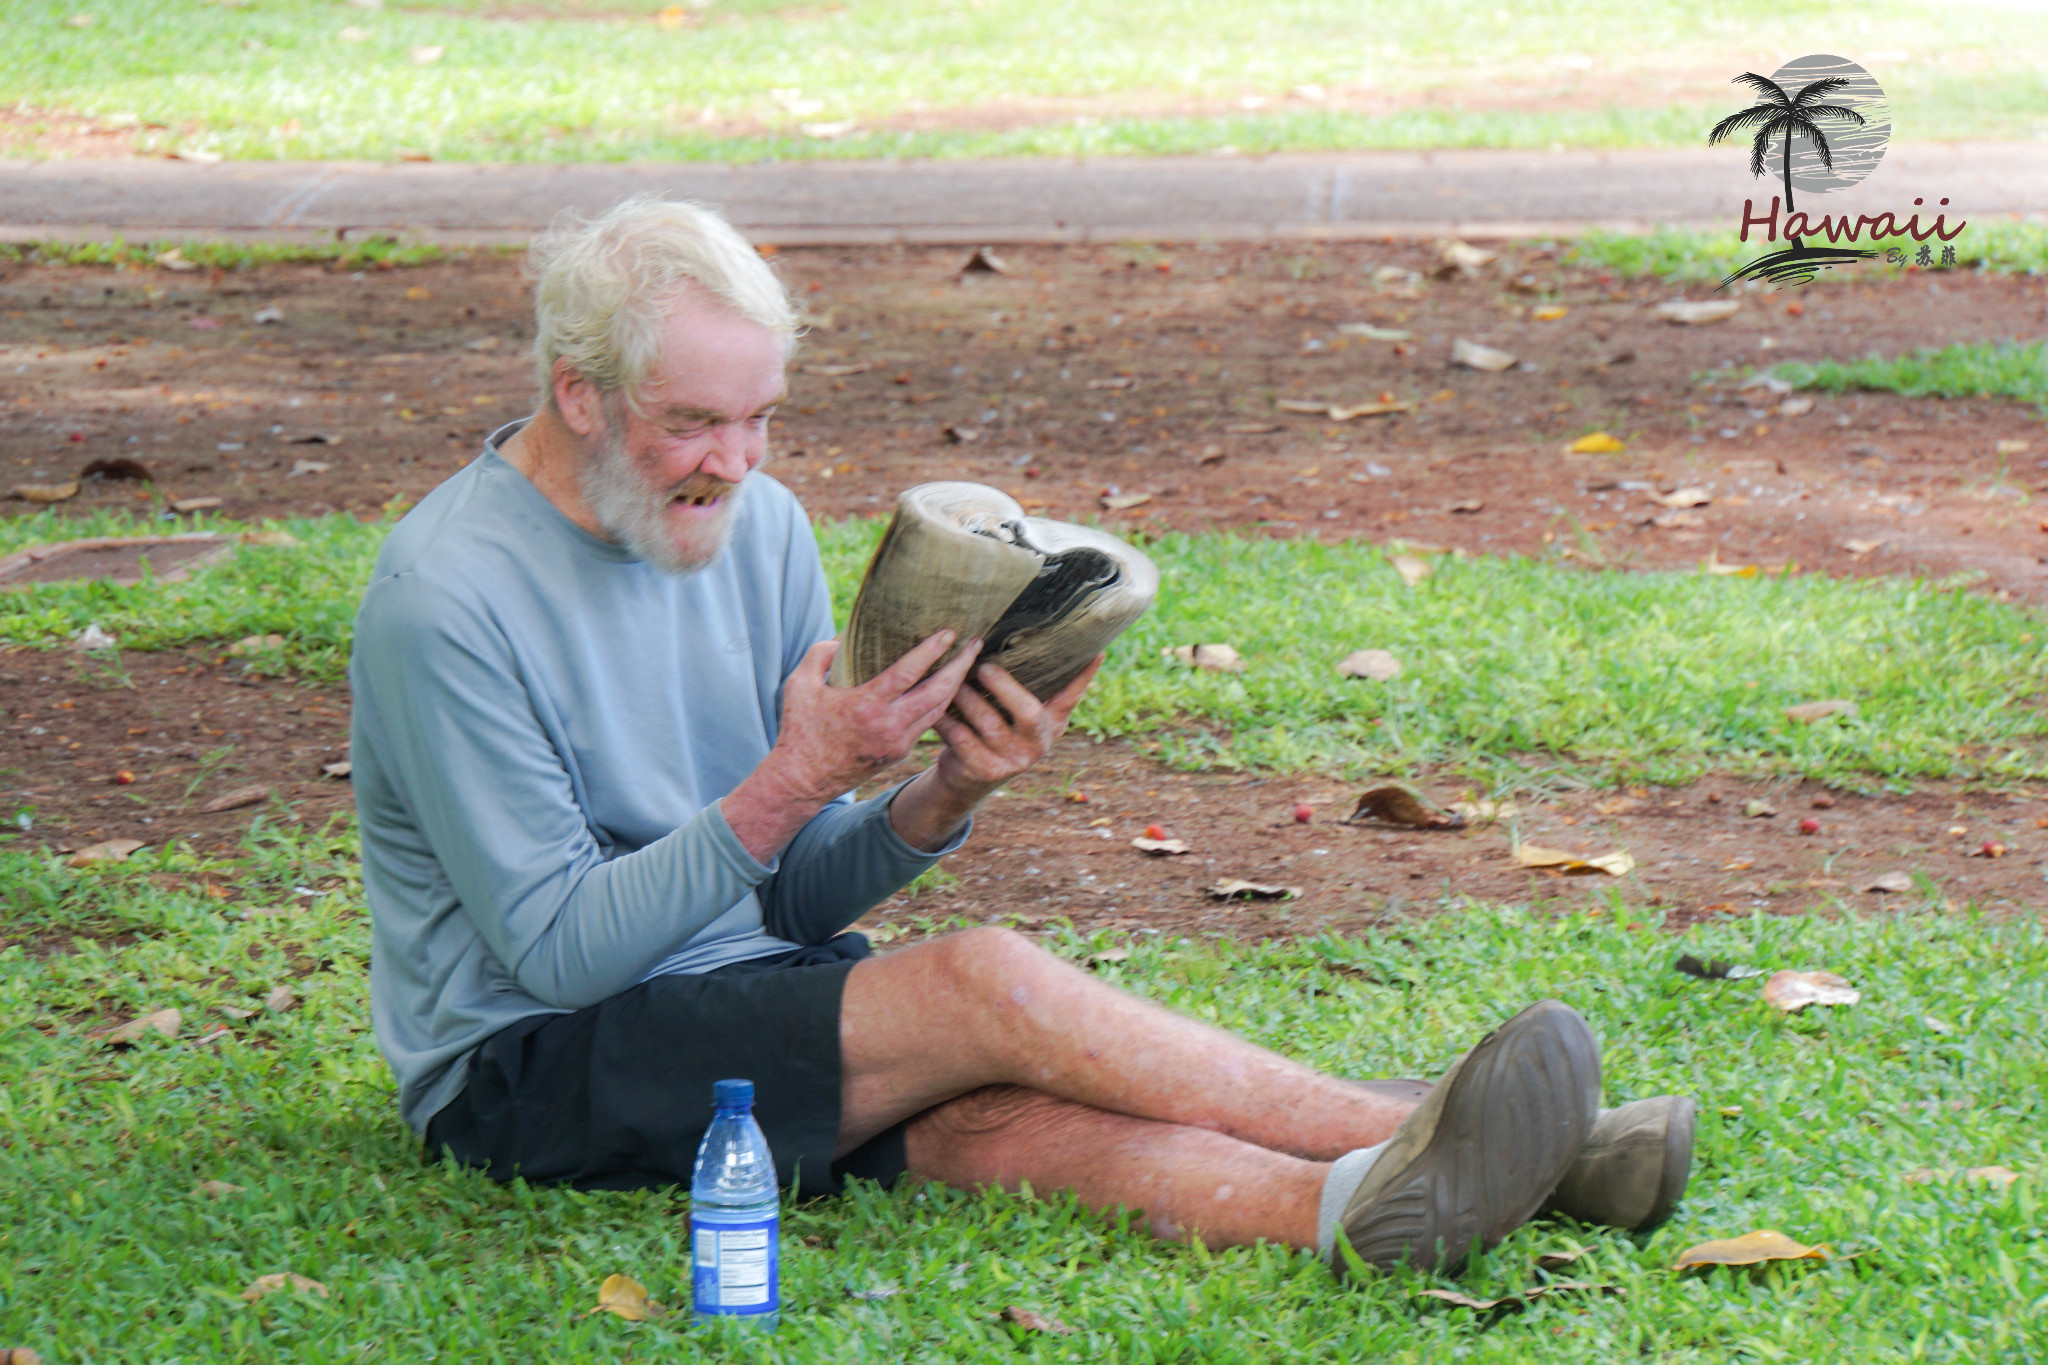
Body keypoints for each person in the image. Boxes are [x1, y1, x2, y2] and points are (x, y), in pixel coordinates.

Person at [350, 195, 1695, 1278]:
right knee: (987, 984)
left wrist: (938, 795)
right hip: (527, 1068)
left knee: (997, 1123)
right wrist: (805, 769)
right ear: (578, 394)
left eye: (762, 417)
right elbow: (560, 950)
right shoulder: (447, 599)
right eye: (692, 422)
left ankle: (1353, 1204)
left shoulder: (750, 523)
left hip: (729, 1002)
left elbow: (786, 889)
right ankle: (1473, 1138)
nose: (738, 464)